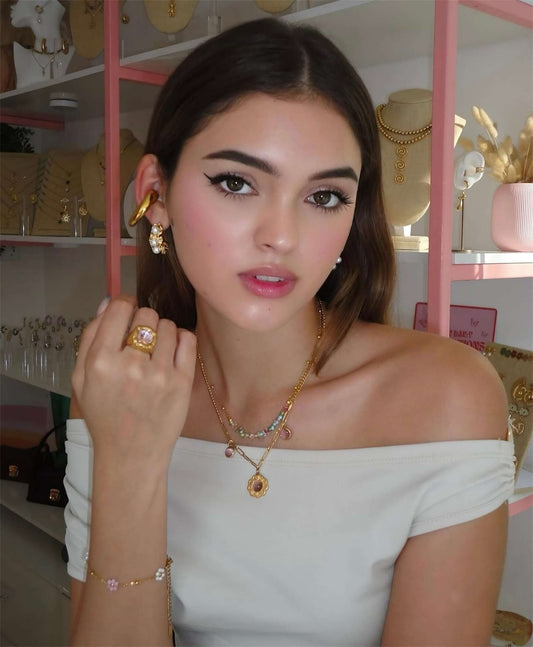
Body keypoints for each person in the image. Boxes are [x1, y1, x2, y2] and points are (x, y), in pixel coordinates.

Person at [64, 17, 515, 647]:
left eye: (324, 197)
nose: (281, 236)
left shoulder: (447, 399)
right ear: (155, 194)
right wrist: (130, 465)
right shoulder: (120, 388)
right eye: (237, 183)